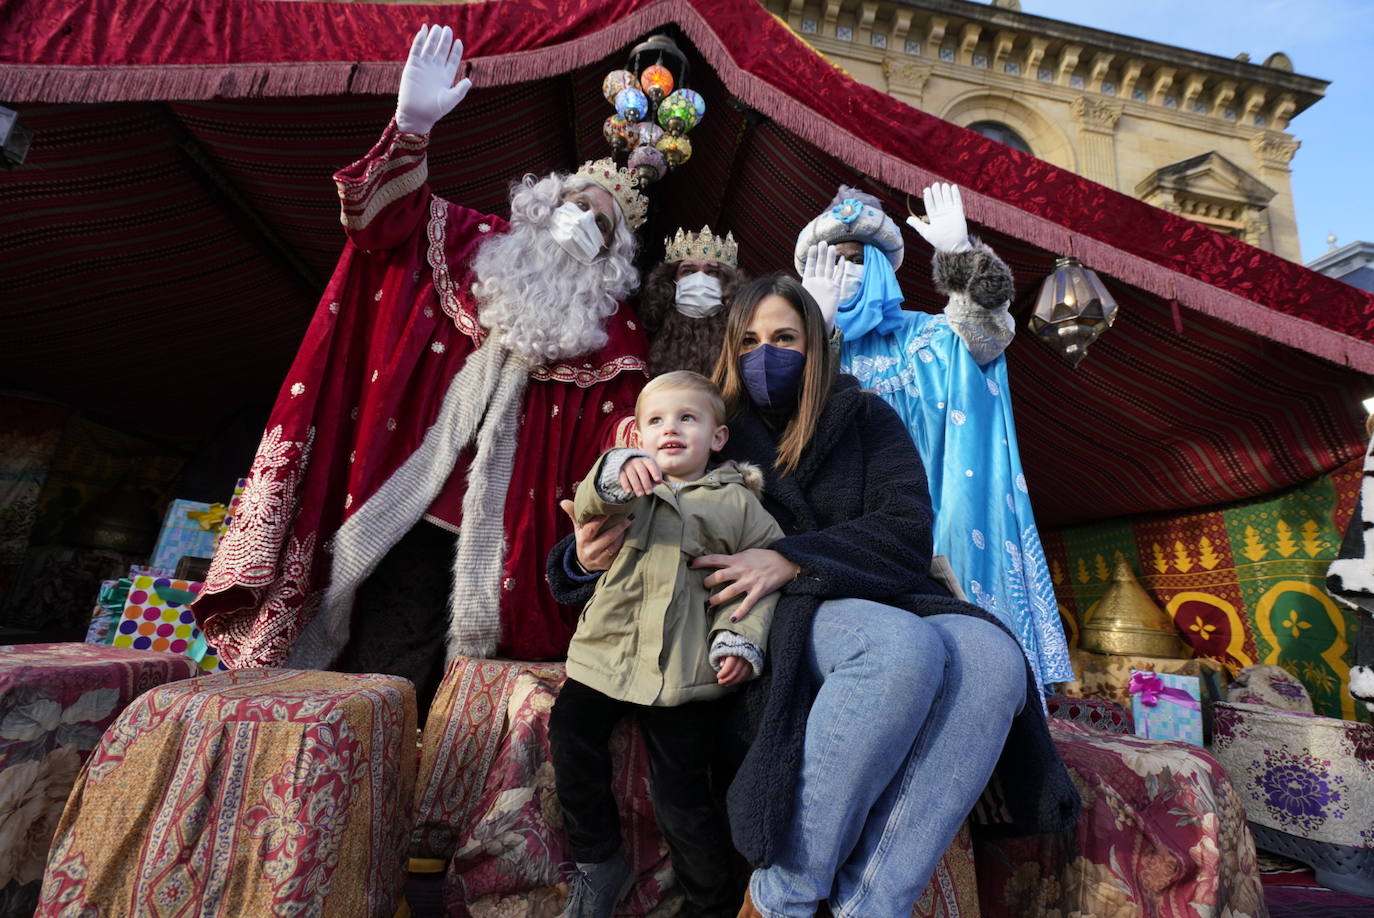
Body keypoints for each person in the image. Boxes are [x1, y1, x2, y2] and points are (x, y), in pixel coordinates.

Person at [550, 276, 1079, 918]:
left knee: (994, 659)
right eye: (747, 340)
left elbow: (906, 528)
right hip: (793, 612)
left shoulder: (865, 418)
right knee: (897, 651)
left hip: (880, 582)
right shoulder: (709, 426)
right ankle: (783, 899)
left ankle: (872, 904)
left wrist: (789, 557)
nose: (763, 354)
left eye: (783, 338)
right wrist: (579, 557)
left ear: (816, 346)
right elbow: (630, 516)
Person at [195, 25, 650, 707]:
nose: (583, 221)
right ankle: (340, 777)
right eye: (577, 203)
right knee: (376, 674)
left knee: (460, 700)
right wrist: (411, 127)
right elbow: (379, 225)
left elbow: (627, 425)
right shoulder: (467, 242)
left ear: (612, 258)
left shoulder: (613, 334)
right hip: (400, 521)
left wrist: (625, 463)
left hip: (507, 559)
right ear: (542, 206)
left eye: (602, 224)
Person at [797, 183, 1072, 691]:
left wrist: (960, 254)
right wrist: (816, 329)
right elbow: (794, 427)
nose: (845, 270)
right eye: (830, 262)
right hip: (854, 525)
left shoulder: (932, 336)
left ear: (881, 263)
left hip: (941, 519)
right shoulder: (812, 351)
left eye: (856, 258)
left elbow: (988, 332)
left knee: (966, 670)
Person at [549, 370, 783, 918]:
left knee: (683, 797)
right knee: (571, 736)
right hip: (604, 657)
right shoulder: (629, 489)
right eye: (655, 420)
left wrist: (739, 639)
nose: (670, 429)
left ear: (717, 438)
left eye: (687, 418)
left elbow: (756, 586)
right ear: (636, 434)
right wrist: (615, 468)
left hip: (684, 673)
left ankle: (712, 903)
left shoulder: (738, 505)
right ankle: (597, 861)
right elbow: (589, 507)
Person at [637, 227, 744, 377]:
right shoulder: (646, 336)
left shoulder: (741, 341)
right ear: (671, 280)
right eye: (688, 271)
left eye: (712, 272)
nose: (699, 280)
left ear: (728, 282)